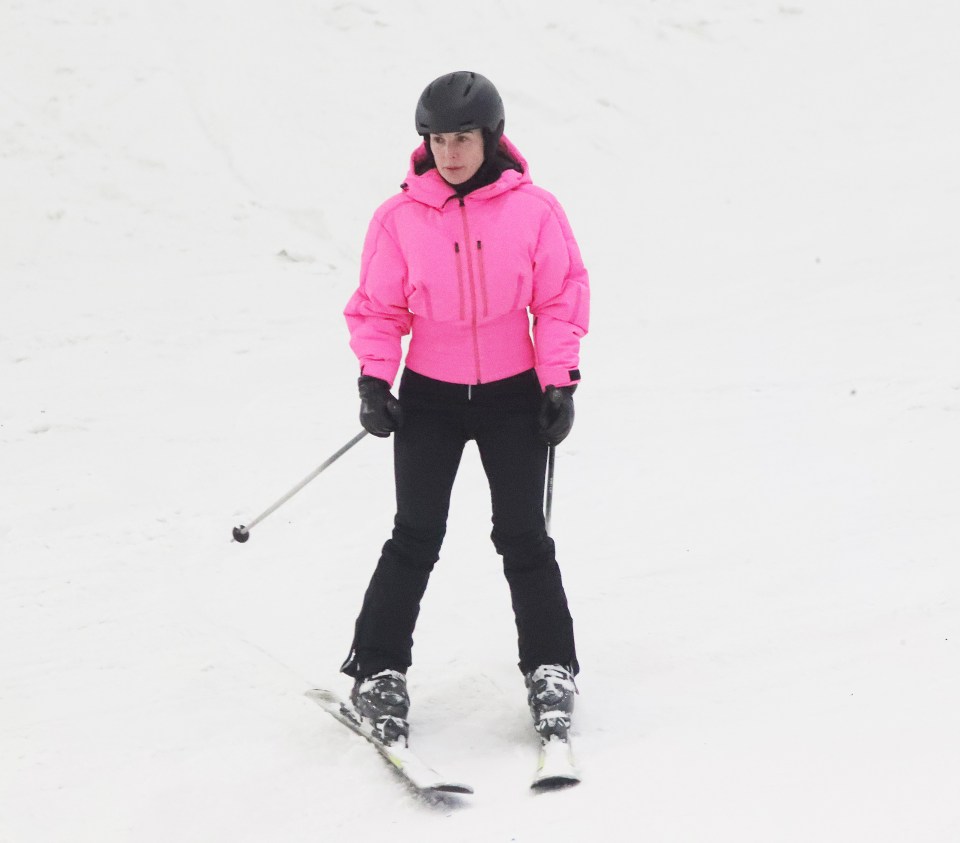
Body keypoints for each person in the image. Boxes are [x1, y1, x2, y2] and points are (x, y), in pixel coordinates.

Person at [341, 71, 589, 747]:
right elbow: (379, 309)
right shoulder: (398, 218)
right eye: (439, 139)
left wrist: (558, 380)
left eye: (463, 138)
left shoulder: (534, 210)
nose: (450, 152)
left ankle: (550, 668)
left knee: (524, 537)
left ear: (492, 137)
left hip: (514, 397)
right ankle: (378, 671)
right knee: (415, 534)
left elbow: (561, 297)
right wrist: (374, 381)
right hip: (430, 397)